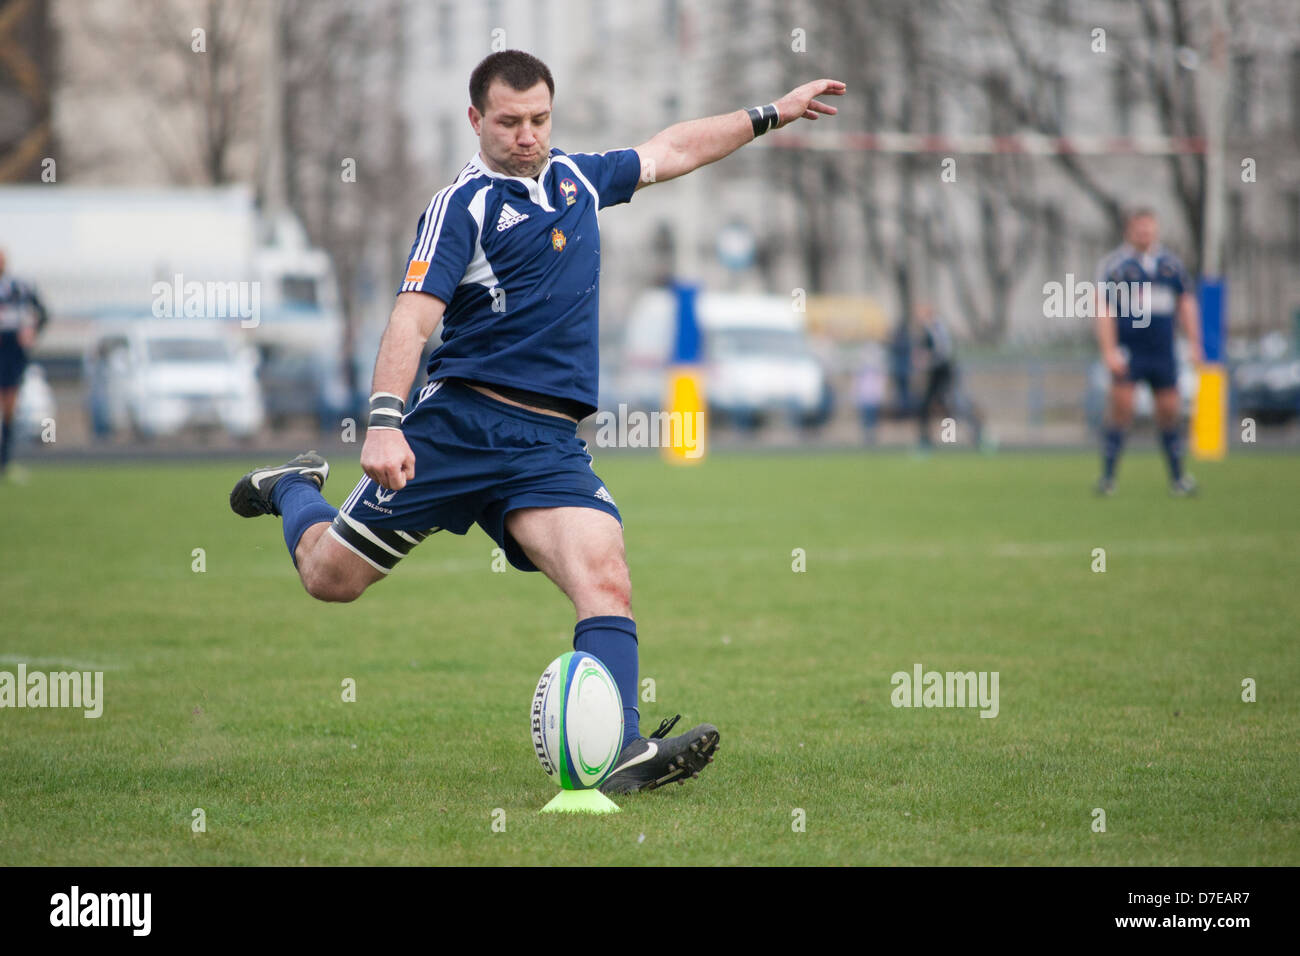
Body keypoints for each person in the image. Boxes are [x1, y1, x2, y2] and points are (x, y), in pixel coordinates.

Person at [230, 50, 846, 794]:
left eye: (540, 120)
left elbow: (671, 148)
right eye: (510, 122)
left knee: (606, 579)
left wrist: (772, 111)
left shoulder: (579, 181)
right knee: (330, 578)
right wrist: (386, 422)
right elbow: (410, 319)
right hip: (455, 431)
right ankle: (296, 487)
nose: (527, 135)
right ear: (476, 121)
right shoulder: (463, 206)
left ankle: (617, 750)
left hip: (547, 447)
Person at [1094, 208, 1201, 496]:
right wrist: (1109, 350)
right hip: (1130, 351)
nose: (1145, 234)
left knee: (1169, 411)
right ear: (1130, 231)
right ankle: (1108, 478)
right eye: (1139, 229)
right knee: (1122, 410)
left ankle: (1178, 478)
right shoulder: (1116, 266)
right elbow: (1103, 310)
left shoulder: (1171, 265)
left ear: (1155, 230)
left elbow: (1187, 303)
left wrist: (1195, 344)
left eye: (1149, 229)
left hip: (1163, 351)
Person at [0, 248, 49, 478]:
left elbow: (43, 312)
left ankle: (5, 461)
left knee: (10, 406)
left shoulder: (19, 287)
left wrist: (32, 332)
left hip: (11, 352)